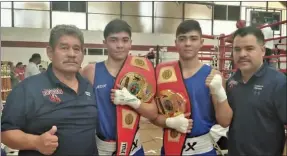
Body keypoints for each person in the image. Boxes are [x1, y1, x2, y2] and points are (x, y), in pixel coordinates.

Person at [82, 19, 192, 156]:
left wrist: (132, 101)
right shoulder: (90, 71)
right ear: (104, 43)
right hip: (101, 148)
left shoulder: (141, 72)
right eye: (113, 40)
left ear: (130, 43)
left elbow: (152, 113)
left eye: (125, 40)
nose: (120, 45)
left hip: (133, 148)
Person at [1, 25, 99, 156]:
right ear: (50, 52)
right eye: (64, 48)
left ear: (82, 54)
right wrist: (36, 142)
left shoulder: (88, 86)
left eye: (77, 49)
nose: (71, 54)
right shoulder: (27, 88)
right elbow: (5, 133)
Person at [152, 20, 233, 156]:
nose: (188, 43)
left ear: (201, 42)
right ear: (176, 43)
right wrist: (168, 122)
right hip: (170, 149)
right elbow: (152, 116)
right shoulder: (161, 74)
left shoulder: (213, 76)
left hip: (203, 150)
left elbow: (224, 122)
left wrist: (219, 92)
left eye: (193, 39)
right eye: (182, 39)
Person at [227, 26, 286, 155]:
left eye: (249, 49)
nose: (242, 54)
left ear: (263, 50)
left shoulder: (279, 82)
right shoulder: (231, 82)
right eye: (237, 49)